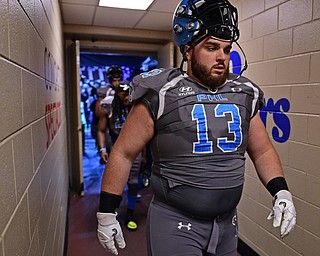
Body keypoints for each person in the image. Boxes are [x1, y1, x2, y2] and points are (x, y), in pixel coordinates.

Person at [96, 0, 297, 255]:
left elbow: (263, 150)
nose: (222, 57)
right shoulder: (162, 91)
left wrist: (281, 192)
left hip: (226, 222)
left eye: (226, 49)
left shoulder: (244, 92)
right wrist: (106, 210)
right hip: (174, 222)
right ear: (188, 50)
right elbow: (124, 152)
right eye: (211, 47)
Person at [97, 81, 141, 231]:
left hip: (135, 151)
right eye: (123, 94)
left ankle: (129, 215)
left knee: (134, 184)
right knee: (115, 184)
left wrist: (146, 156)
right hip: (116, 152)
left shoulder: (137, 106)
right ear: (117, 94)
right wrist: (102, 149)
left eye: (129, 94)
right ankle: (113, 210)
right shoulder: (109, 106)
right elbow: (101, 130)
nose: (126, 97)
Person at [95, 65, 123, 155]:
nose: (117, 83)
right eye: (115, 80)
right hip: (111, 126)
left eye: (119, 80)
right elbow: (98, 113)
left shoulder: (126, 89)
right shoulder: (105, 92)